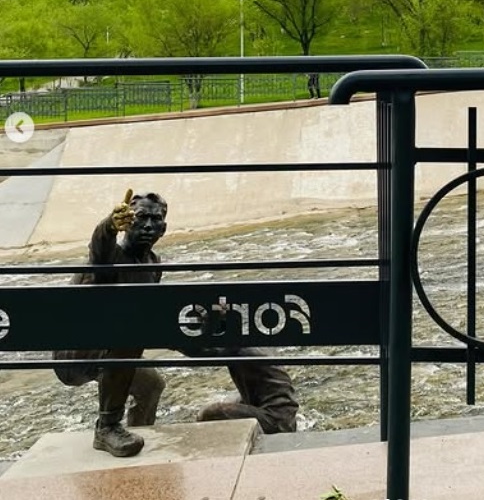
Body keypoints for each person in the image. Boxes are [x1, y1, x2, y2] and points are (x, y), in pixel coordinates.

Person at [52, 189, 168, 458]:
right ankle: (107, 427)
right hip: (75, 351)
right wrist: (109, 225)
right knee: (129, 336)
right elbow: (99, 245)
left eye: (155, 219)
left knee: (151, 385)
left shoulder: (153, 263)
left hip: (115, 346)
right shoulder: (110, 257)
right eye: (140, 218)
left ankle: (135, 432)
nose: (148, 226)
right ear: (127, 222)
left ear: (163, 228)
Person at [187, 346, 299, 435]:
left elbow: (200, 352)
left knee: (209, 413)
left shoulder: (237, 348)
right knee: (229, 400)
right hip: (284, 412)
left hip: (275, 419)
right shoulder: (253, 338)